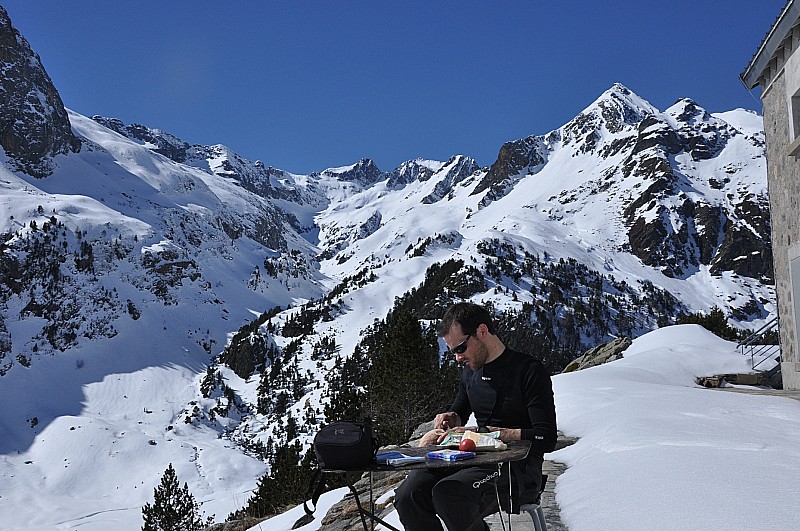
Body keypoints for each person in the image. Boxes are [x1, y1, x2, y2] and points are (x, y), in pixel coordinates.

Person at [394, 302, 557, 531]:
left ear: (482, 331)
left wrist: (489, 433)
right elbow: (460, 411)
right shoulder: (471, 372)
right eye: (453, 352)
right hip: (475, 460)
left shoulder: (528, 371)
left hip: (517, 468)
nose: (458, 358)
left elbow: (547, 437)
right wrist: (451, 418)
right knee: (409, 494)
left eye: (460, 348)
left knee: (448, 493)